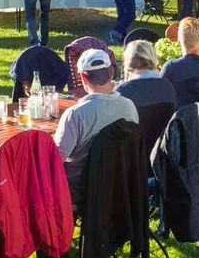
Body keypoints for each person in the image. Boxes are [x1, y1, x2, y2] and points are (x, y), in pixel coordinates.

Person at [52, 47, 137, 196]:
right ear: (111, 72)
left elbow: (55, 161)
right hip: (119, 184)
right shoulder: (129, 106)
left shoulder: (76, 115)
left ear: (83, 78)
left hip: (79, 188)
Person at [117, 38, 177, 126]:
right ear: (152, 59)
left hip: (133, 138)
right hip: (164, 137)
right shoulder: (167, 86)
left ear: (128, 62)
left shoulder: (123, 92)